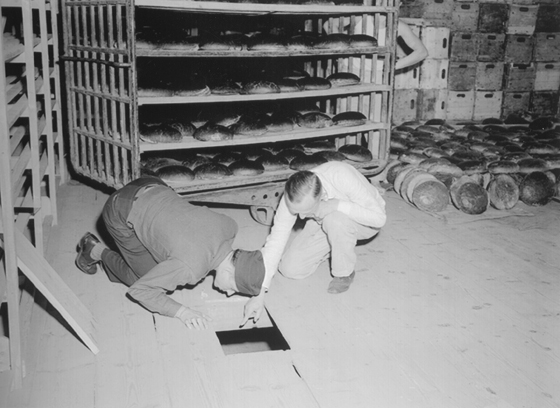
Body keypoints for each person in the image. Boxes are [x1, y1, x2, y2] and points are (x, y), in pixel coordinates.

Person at [75, 175, 265, 330]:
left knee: (163, 255)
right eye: (233, 287)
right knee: (143, 278)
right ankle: (94, 250)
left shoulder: (231, 226)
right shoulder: (190, 268)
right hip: (118, 208)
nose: (229, 293)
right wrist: (182, 312)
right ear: (228, 272)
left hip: (151, 184)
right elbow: (140, 291)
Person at [241, 161, 386, 326]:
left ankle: (344, 272)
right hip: (324, 218)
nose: (301, 219)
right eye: (297, 213)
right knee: (290, 269)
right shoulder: (292, 194)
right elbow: (275, 241)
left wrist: (336, 205)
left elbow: (379, 219)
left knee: (335, 220)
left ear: (322, 195)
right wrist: (259, 293)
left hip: (365, 221)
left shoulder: (340, 175)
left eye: (305, 213)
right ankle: (336, 244)